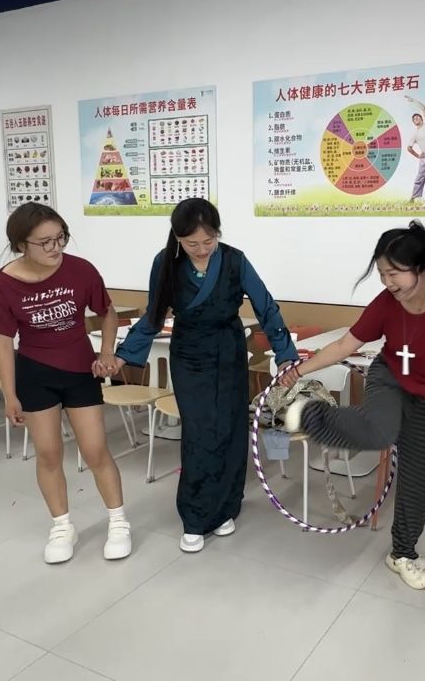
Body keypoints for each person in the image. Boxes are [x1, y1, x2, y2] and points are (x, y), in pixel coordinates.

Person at [280, 220, 425, 590]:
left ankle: (402, 553)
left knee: (420, 479)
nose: (387, 283)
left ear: (421, 267)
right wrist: (298, 371)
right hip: (390, 379)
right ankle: (310, 413)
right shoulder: (386, 304)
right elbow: (345, 346)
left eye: (394, 274)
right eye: (382, 274)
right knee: (380, 431)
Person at [118, 197, 297, 554]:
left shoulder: (235, 260)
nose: (201, 249)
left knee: (230, 429)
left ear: (218, 233)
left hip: (229, 351)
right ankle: (196, 517)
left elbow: (265, 306)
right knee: (199, 434)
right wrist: (125, 354)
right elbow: (154, 313)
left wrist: (285, 354)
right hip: (189, 354)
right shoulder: (165, 263)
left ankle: (226, 508)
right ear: (178, 238)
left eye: (208, 240)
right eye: (192, 243)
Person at [0, 202, 130, 564]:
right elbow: (3, 344)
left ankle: (118, 521)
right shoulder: (3, 284)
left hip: (79, 370)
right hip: (35, 373)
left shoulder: (81, 270)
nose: (55, 247)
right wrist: (10, 395)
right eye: (44, 242)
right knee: (48, 453)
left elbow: (107, 313)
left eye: (60, 238)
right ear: (21, 244)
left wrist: (106, 351)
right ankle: (62, 526)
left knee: (95, 450)